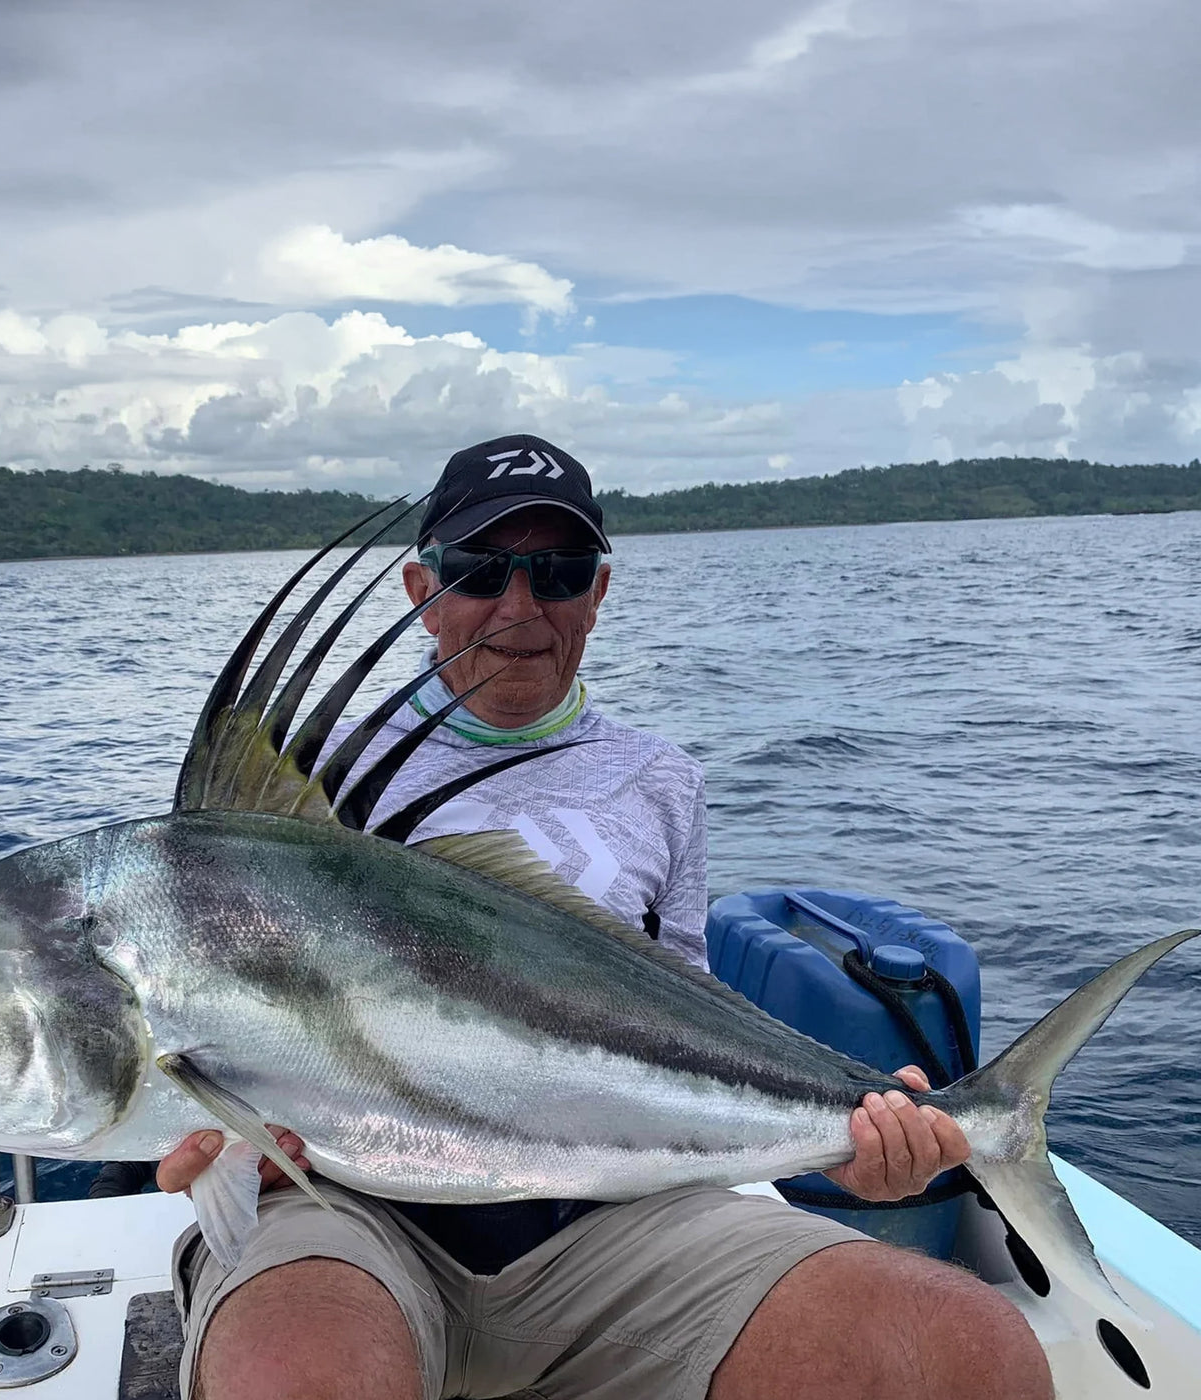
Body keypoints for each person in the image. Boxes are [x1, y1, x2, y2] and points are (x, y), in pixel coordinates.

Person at [158, 435, 1052, 1400]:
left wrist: (863, 1140)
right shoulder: (303, 782)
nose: (518, 605)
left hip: (617, 1216)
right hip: (343, 1204)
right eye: (480, 569)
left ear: (600, 590)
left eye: (558, 571)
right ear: (421, 586)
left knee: (971, 1355)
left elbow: (680, 1007)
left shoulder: (661, 780)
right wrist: (214, 1126)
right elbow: (206, 1008)